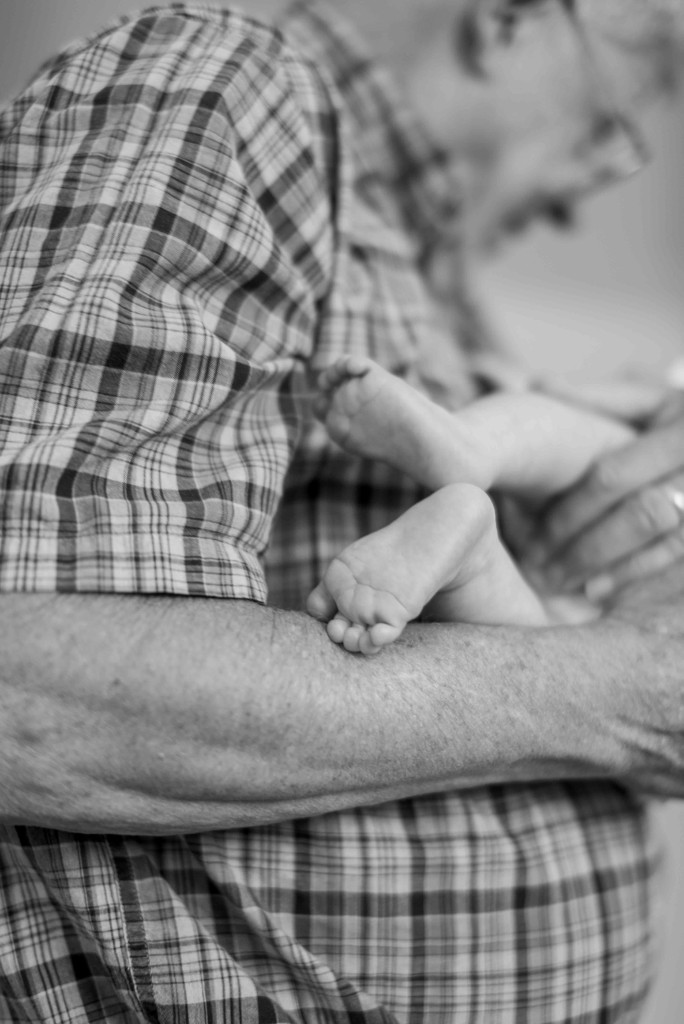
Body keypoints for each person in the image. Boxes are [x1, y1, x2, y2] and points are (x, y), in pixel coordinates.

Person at [1, 1, 684, 1022]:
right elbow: (30, 690)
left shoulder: (414, 258)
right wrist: (624, 691)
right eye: (609, 129)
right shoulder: (225, 83)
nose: (590, 192)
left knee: (543, 441)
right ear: (512, 18)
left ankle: (474, 480)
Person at [307, 353, 636, 654]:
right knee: (544, 647)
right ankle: (471, 477)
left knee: (600, 441)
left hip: (609, 578)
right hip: (614, 594)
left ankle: (473, 463)